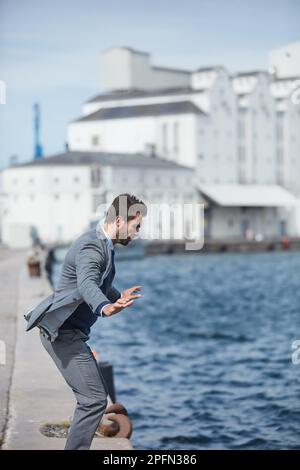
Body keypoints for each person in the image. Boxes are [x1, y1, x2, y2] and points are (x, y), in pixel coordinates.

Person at [24, 193, 147, 450]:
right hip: (62, 333)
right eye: (136, 226)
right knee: (93, 400)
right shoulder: (92, 247)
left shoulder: (102, 244)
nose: (138, 233)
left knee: (93, 397)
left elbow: (101, 282)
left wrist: (117, 295)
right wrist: (104, 307)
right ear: (120, 221)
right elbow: (88, 283)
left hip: (71, 333)